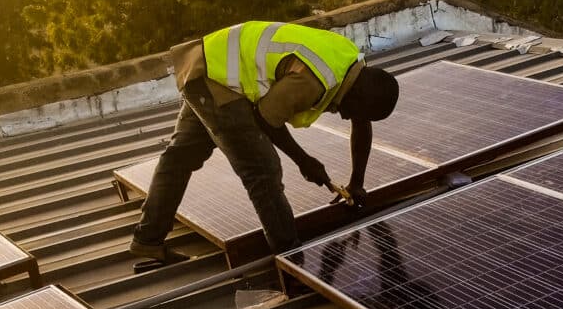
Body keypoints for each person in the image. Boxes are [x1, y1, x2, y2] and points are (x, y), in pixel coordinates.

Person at [130, 21, 400, 262]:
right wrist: (304, 161)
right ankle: (291, 257)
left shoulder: (351, 63)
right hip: (220, 79)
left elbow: (361, 122)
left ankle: (148, 240)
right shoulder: (314, 79)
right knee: (263, 168)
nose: (346, 117)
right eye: (352, 112)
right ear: (358, 98)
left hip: (210, 63)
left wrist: (357, 182)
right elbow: (267, 119)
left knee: (180, 156)